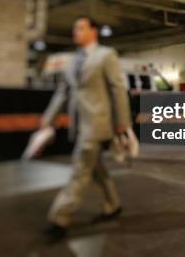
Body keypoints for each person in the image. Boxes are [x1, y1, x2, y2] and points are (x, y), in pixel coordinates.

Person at [39, 16, 131, 241]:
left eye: (80, 28)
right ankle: (113, 204)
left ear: (94, 32)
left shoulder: (106, 55)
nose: (75, 32)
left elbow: (118, 89)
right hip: (79, 124)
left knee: (80, 169)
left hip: (97, 123)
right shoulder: (72, 60)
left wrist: (123, 123)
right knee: (95, 166)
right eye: (74, 28)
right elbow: (63, 91)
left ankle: (60, 218)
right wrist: (48, 118)